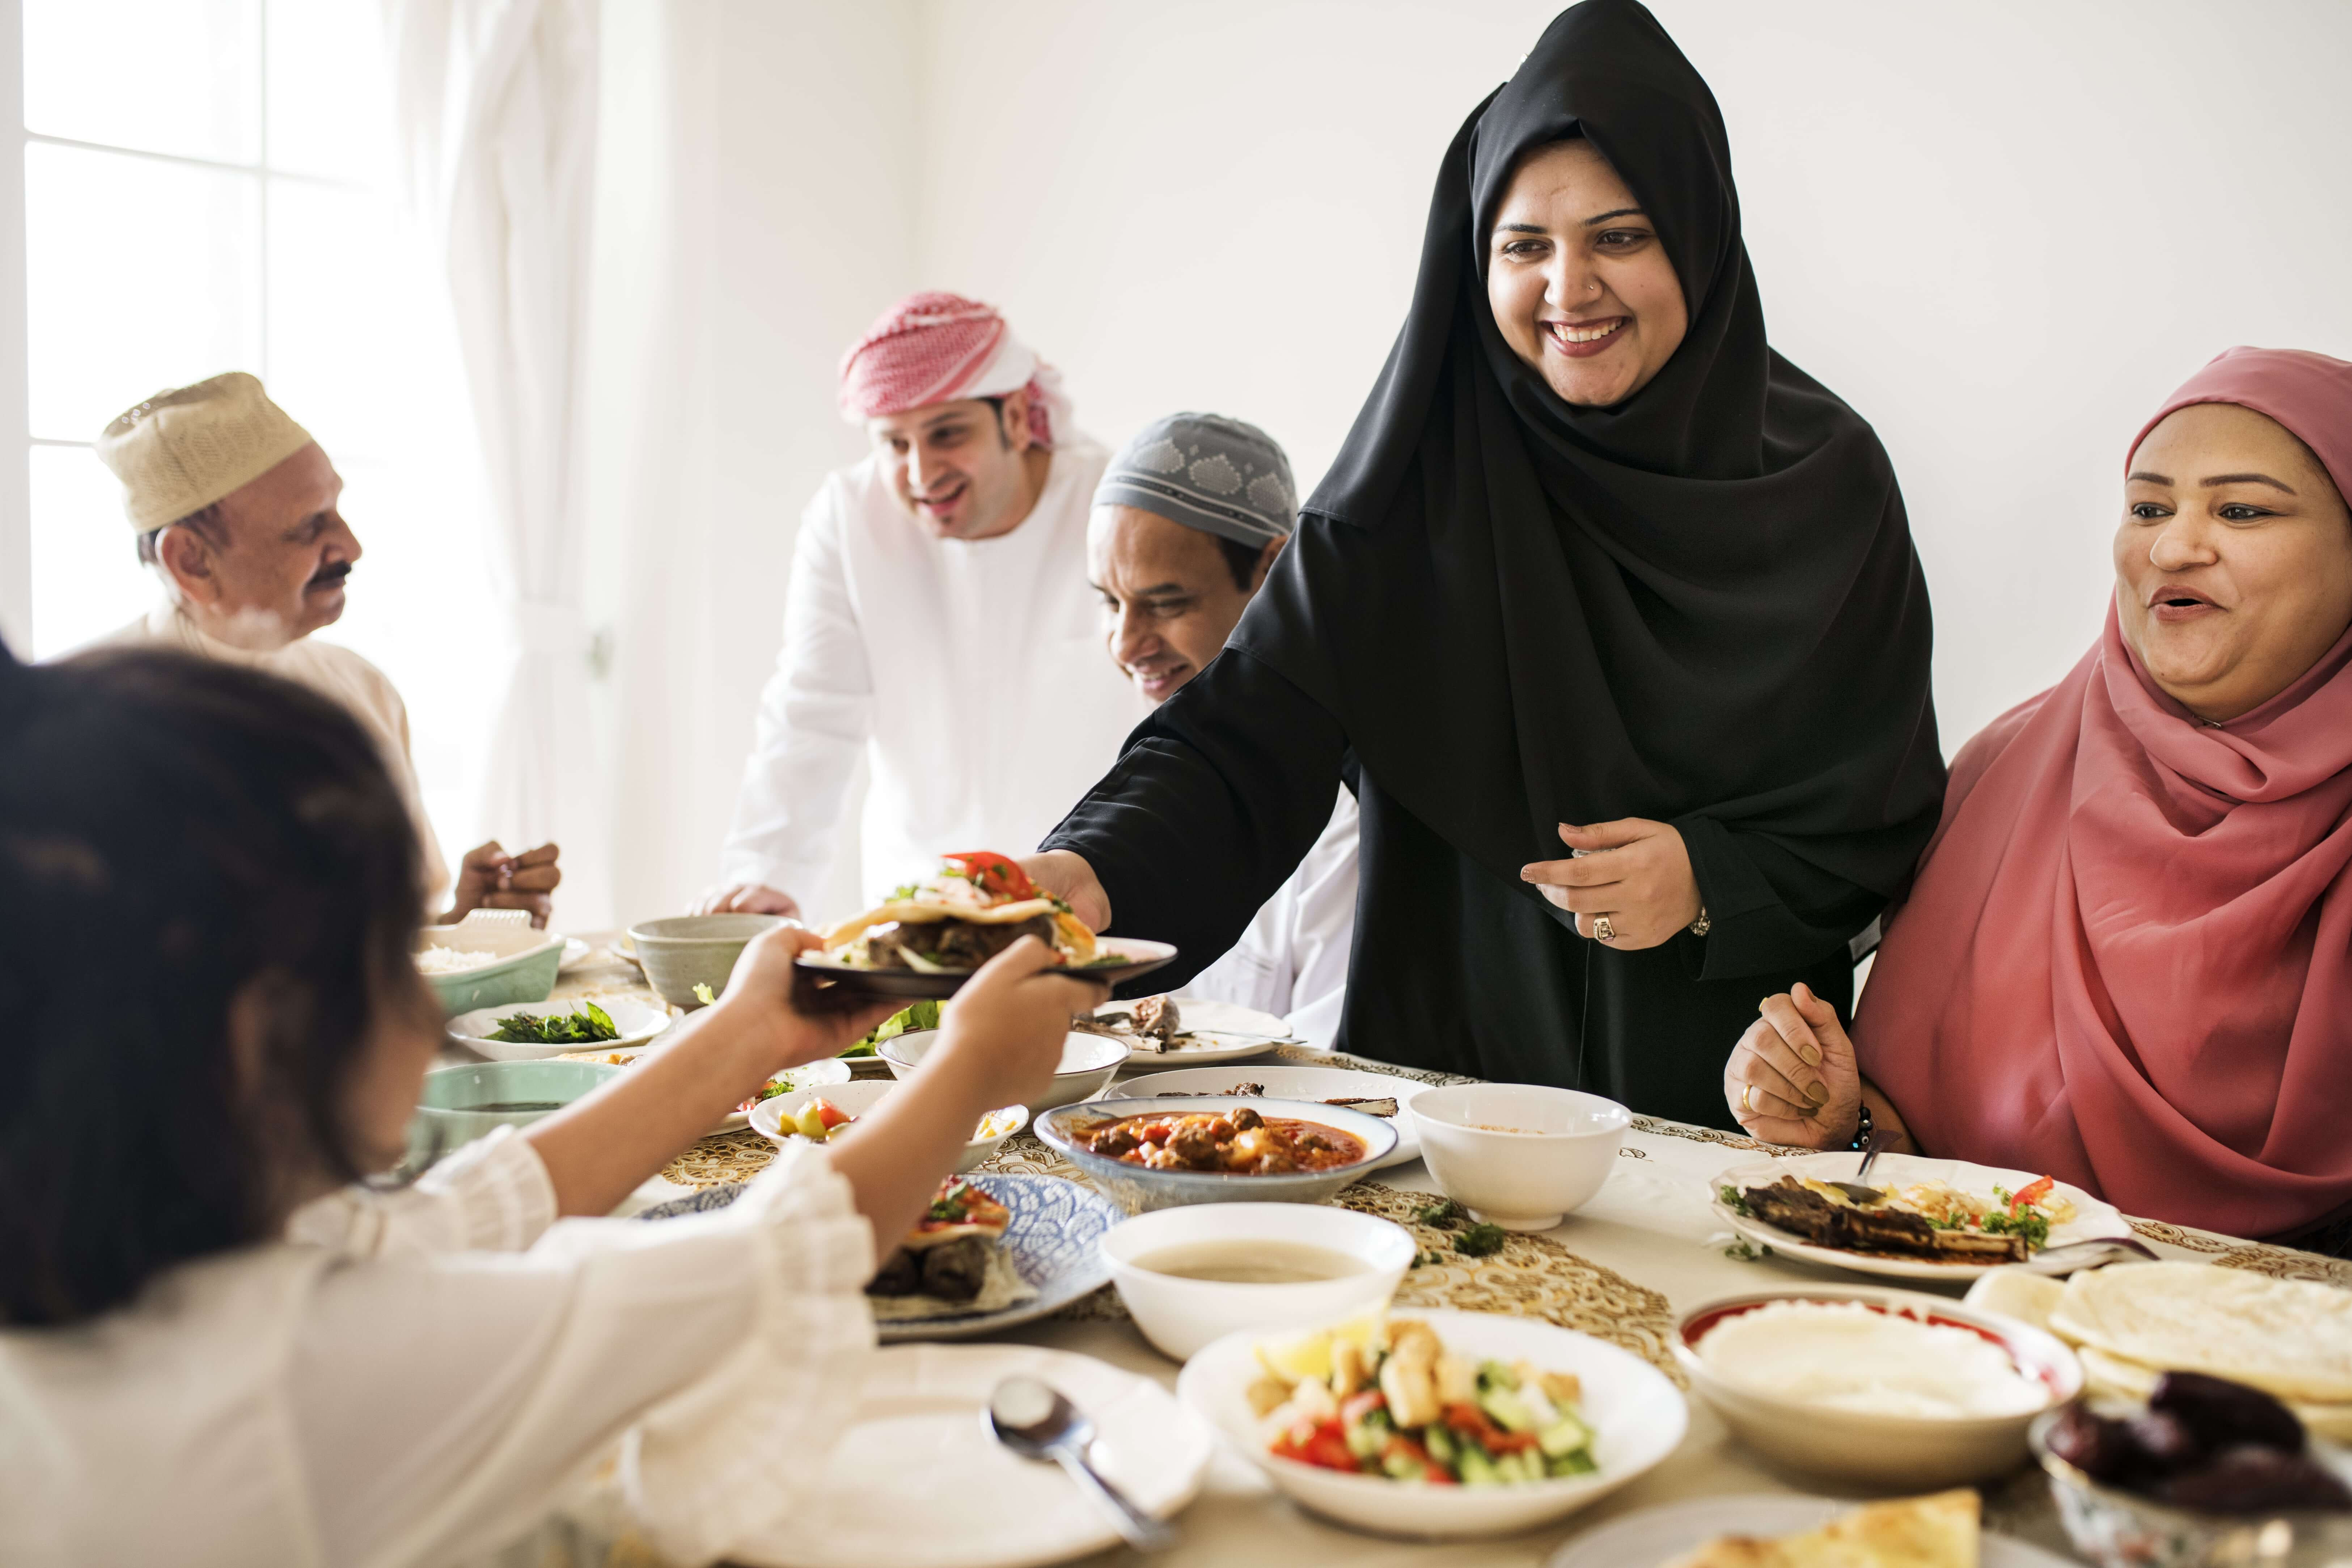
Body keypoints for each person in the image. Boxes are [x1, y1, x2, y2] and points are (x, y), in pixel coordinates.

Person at [1024, 0, 1943, 1128]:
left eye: (1621, 235)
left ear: (1698, 235)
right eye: (1523, 246)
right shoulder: (1409, 483)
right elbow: (1240, 741)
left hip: (1719, 1089)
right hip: (1444, 1086)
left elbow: (1877, 807)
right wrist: (1087, 876)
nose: (1569, 288)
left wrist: (1709, 881)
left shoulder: (1826, 486)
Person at [0, 640, 1104, 1565]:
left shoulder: (155, 1267)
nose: (435, 1016)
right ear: (261, 1030)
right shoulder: (309, 1386)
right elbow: (772, 1259)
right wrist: (967, 1072)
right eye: (399, 951)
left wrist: (749, 1035)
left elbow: (456, 1214)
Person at [1726, 347, 2352, 1250]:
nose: (2173, 545)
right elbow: (1919, 1149)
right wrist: (1836, 1122)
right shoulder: (2006, 774)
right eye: (2147, 507)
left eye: (2242, 509)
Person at [698, 293, 1145, 920]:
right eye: (894, 444)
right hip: (918, 906)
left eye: (947, 434)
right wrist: (769, 871)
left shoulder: (1115, 508)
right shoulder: (850, 516)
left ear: (1016, 416)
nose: (920, 472)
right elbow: (810, 710)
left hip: (1096, 900)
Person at [87, 372, 561, 924]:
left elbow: (391, 937)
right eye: (310, 527)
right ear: (192, 561)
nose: (351, 546)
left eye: (335, 509)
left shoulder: (362, 688)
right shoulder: (89, 728)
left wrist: (468, 919)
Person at [1088, 414, 1357, 1046]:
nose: (1127, 643)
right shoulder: (1132, 769)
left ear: (1273, 571)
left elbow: (1337, 1082)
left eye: (1166, 602)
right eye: (1109, 601)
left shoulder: (1349, 817)